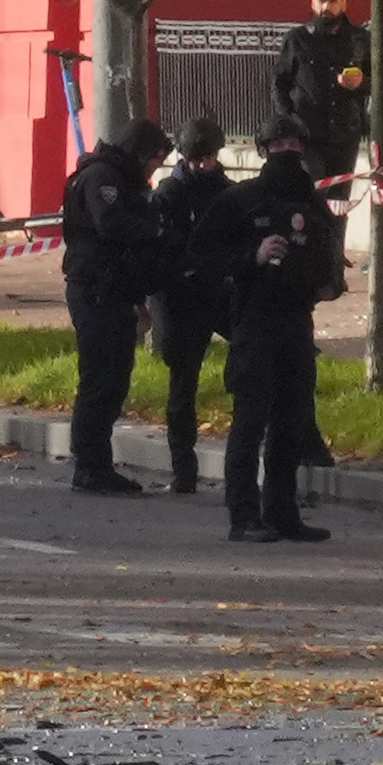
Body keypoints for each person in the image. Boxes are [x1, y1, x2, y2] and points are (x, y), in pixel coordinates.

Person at [220, 119, 348, 545]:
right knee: (250, 420)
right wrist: (250, 257)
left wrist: (330, 281)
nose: (287, 150)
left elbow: (327, 247)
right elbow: (203, 256)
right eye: (278, 144)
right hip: (254, 321)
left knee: (292, 421)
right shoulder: (241, 200)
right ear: (263, 150)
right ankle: (243, 515)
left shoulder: (311, 202)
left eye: (294, 142)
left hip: (297, 321)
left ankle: (282, 511)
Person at [58, 117, 166, 497]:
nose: (155, 168)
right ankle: (89, 465)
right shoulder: (101, 178)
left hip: (116, 292)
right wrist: (157, 233)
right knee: (100, 377)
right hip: (95, 291)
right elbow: (113, 224)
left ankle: (96, 462)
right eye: (154, 159)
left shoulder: (123, 180)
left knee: (115, 378)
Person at [151, 119, 245, 497]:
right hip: (180, 297)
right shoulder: (169, 194)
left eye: (205, 159)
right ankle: (183, 469)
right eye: (192, 159)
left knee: (254, 353)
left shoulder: (228, 194)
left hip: (219, 291)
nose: (198, 166)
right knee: (182, 382)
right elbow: (161, 250)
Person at [271, 0, 374, 192]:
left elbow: (379, 84)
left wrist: (361, 82)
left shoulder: (359, 39)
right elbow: (280, 82)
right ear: (312, 3)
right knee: (313, 191)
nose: (326, 7)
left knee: (339, 199)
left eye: (332, 1)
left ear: (344, 4)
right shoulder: (297, 39)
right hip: (307, 133)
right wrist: (289, 121)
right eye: (321, 1)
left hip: (345, 132)